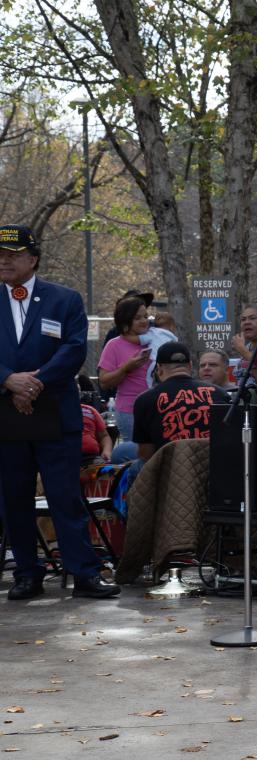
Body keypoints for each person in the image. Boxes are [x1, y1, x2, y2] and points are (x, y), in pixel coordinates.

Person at [0, 224, 120, 599]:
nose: (4, 260)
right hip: (7, 414)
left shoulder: (64, 299)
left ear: (32, 259)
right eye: (0, 255)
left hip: (55, 411)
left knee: (65, 496)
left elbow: (73, 349)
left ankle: (84, 573)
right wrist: (9, 381)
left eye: (13, 254)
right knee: (14, 498)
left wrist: (34, 382)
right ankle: (27, 573)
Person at [132, 341, 231, 462]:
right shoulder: (220, 394)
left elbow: (145, 454)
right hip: (213, 470)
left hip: (167, 473)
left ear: (159, 369)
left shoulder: (144, 400)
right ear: (190, 366)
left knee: (131, 463)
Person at [97, 296, 152, 462]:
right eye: (137, 318)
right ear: (125, 323)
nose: (144, 321)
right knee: (138, 455)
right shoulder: (114, 345)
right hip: (130, 411)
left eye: (145, 316)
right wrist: (126, 368)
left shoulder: (155, 339)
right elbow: (104, 382)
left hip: (159, 407)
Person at [80, 396, 113, 465]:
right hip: (63, 456)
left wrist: (106, 451)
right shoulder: (54, 411)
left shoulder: (89, 410)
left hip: (91, 456)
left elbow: (104, 436)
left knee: (108, 471)